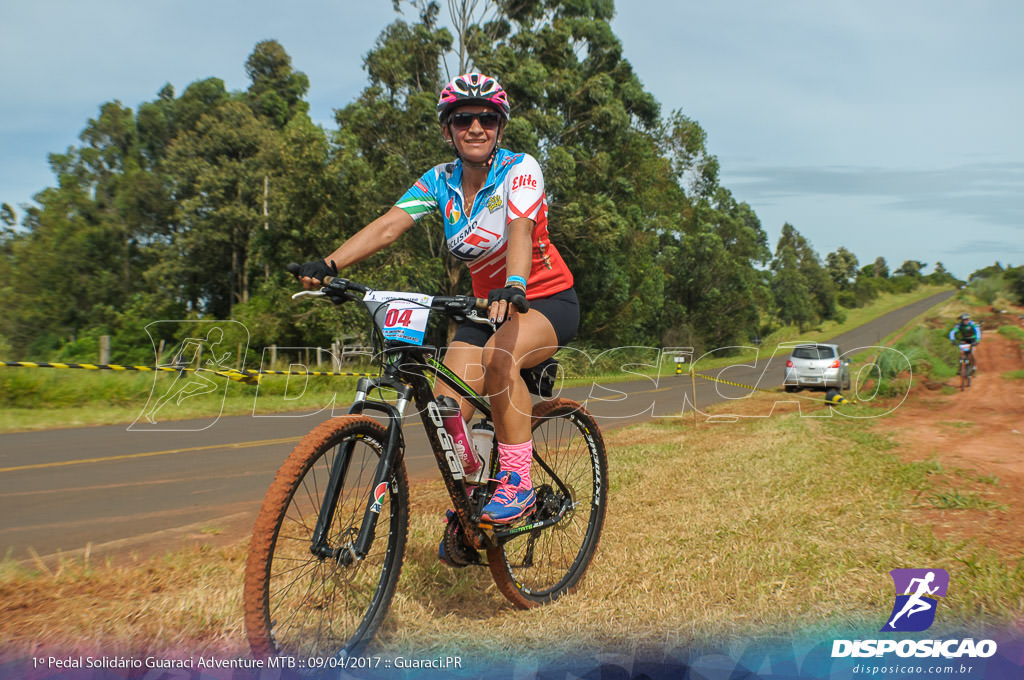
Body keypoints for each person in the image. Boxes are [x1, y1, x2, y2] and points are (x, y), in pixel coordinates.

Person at [293, 72, 578, 526]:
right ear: (448, 129)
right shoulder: (440, 182)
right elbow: (390, 225)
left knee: (500, 360)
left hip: (541, 299)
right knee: (446, 411)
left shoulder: (519, 169)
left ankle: (518, 483)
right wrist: (330, 266)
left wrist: (517, 284)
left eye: (487, 118)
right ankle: (472, 508)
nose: (476, 128)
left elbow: (520, 228)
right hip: (485, 307)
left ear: (500, 126)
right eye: (463, 119)